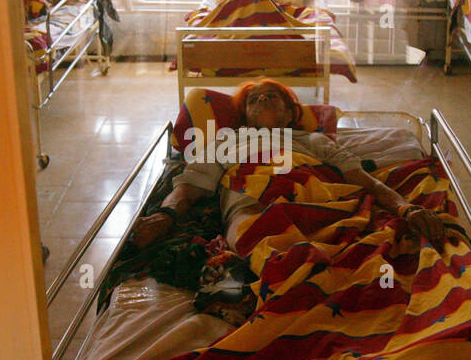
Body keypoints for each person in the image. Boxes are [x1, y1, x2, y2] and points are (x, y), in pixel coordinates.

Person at [132, 78, 450, 248]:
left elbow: (365, 182)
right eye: (254, 99)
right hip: (251, 195)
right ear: (245, 116)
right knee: (251, 238)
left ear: (289, 113)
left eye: (273, 96)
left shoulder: (312, 140)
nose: (262, 100)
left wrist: (406, 208)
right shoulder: (224, 140)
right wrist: (165, 215)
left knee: (358, 242)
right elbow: (190, 186)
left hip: (312, 190)